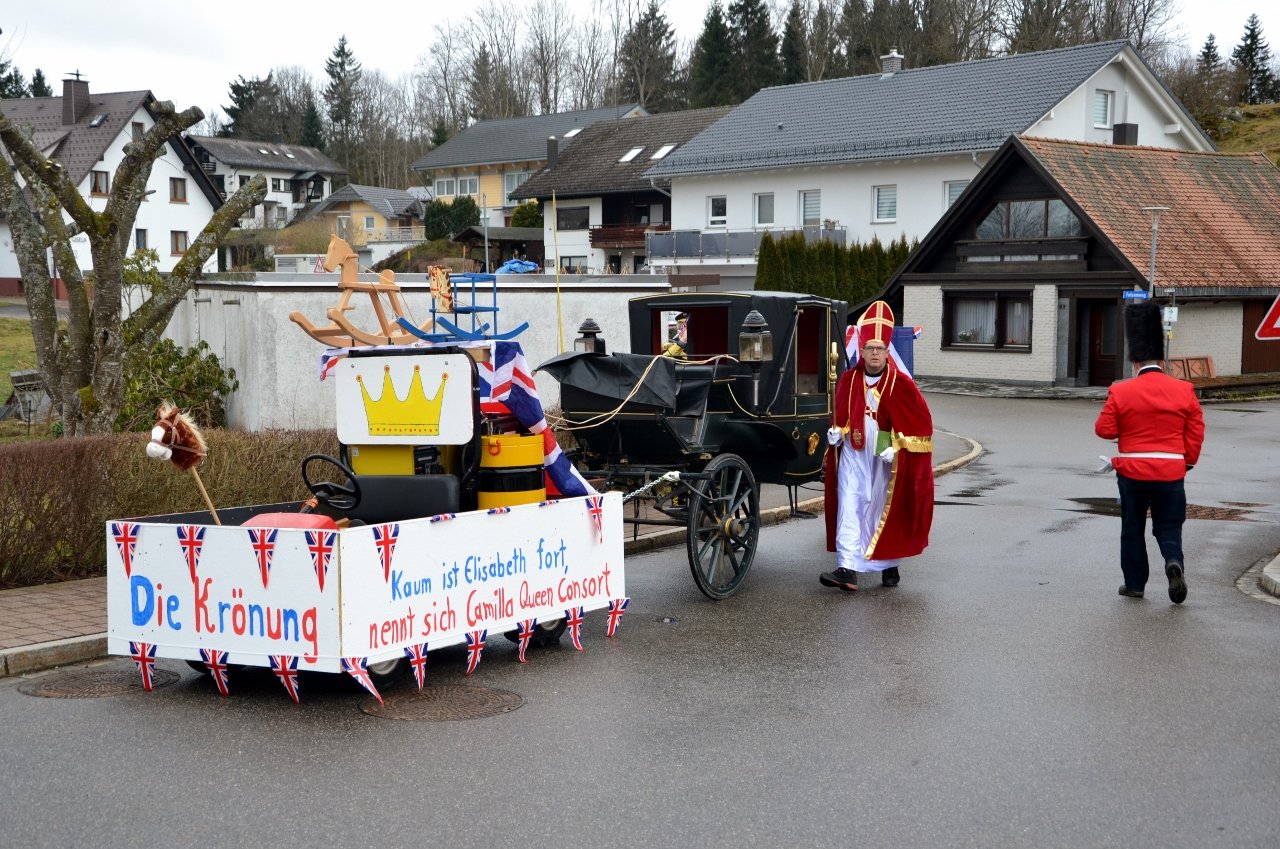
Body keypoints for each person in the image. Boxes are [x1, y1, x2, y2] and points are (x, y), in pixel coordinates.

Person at [1095, 299, 1204, 604]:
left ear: (1134, 362)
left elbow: (1104, 430)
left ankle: (1135, 584)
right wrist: (1187, 462)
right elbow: (1196, 430)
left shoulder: (1121, 389)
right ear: (1163, 362)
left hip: (1132, 472)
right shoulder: (1184, 390)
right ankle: (1173, 561)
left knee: (1132, 527)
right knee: (1169, 525)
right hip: (1171, 471)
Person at [822, 301, 934, 591]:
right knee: (849, 503)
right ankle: (846, 568)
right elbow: (841, 416)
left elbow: (921, 428)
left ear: (886, 351)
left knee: (881, 509)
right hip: (854, 455)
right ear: (862, 350)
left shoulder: (902, 384)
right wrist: (836, 433)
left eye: (879, 348)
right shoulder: (849, 379)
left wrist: (897, 448)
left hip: (884, 461)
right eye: (870, 348)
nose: (874, 353)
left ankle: (888, 564)